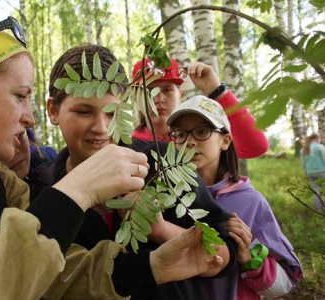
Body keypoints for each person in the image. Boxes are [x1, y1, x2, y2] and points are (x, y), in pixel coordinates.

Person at [0, 17, 225, 300]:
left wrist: (151, 268)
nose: (29, 119)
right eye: (19, 96)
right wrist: (77, 191)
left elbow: (54, 274)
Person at [27, 44, 238, 300]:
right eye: (83, 111)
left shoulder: (163, 162)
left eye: (112, 112)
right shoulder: (42, 188)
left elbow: (224, 254)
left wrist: (160, 229)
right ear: (53, 111)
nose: (101, 128)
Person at [161, 95, 304, 299]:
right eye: (180, 134)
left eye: (202, 131)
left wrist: (248, 259)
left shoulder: (251, 202)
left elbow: (285, 284)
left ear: (225, 140)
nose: (189, 142)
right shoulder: (166, 196)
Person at [131, 58, 269, 159]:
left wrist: (217, 91)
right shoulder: (127, 144)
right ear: (136, 97)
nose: (159, 99)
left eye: (167, 90)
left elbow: (256, 147)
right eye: (149, 91)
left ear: (180, 93)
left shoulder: (200, 138)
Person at [300, 133, 325, 211]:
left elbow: (303, 163)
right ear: (317, 139)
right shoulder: (320, 147)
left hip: (310, 173)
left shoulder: (303, 149)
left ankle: (318, 210)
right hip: (322, 171)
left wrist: (306, 172)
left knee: (316, 191)